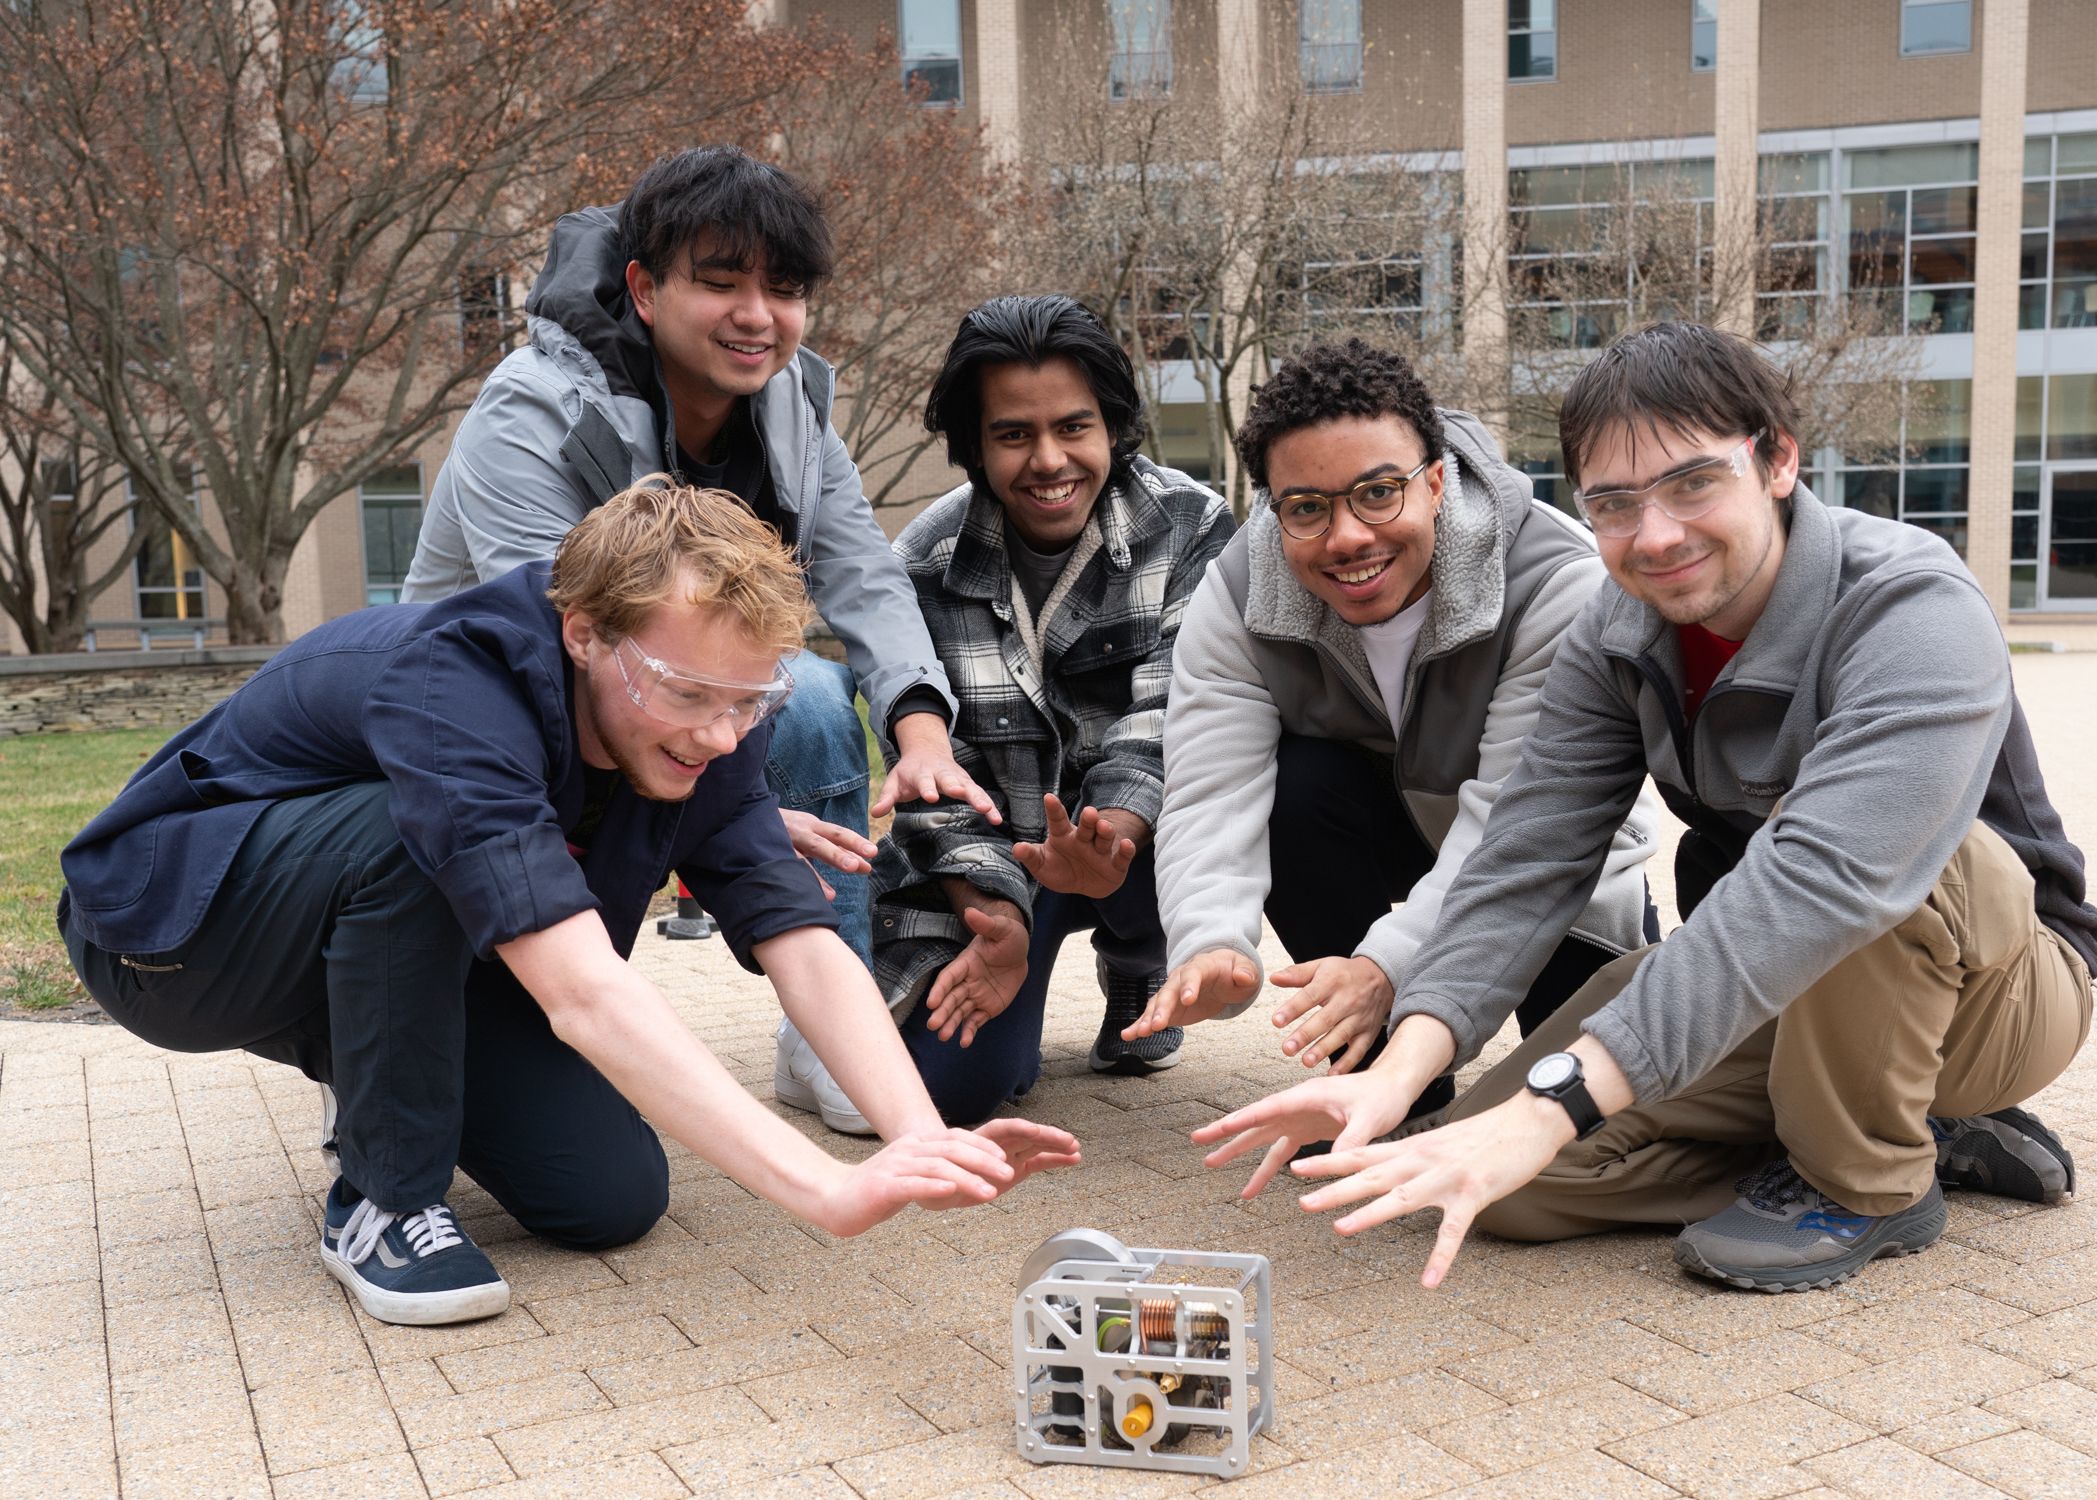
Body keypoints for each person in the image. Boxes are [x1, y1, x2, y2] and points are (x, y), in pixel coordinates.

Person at [1195, 322, 2093, 1295]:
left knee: (1873, 845)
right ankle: (1898, 1126)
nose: (1655, 534)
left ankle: (1868, 1179)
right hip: (1779, 985)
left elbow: (1828, 880)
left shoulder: (1912, 603)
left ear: (1777, 459)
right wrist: (1398, 1071)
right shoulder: (1613, 636)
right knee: (1499, 1183)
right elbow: (1525, 864)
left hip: (1995, 989)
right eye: (1614, 504)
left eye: (1693, 482)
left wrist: (1559, 1101)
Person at [57, 483, 1078, 1327]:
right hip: (175, 936)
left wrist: (911, 1137)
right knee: (404, 835)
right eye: (690, 695)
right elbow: (582, 994)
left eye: (748, 701)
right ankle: (382, 1198)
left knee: (609, 1196)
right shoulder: (450, 690)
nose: (723, 737)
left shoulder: (712, 715)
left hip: (366, 937)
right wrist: (823, 1191)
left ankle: (369, 1054)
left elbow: (800, 940)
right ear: (585, 632)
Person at [401, 145, 994, 1134]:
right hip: (494, 726)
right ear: (643, 287)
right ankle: (377, 1035)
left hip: (663, 716)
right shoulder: (532, 410)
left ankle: (829, 1030)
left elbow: (863, 573)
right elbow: (565, 650)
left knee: (799, 695)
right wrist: (722, 824)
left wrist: (923, 732)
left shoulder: (796, 401)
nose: (758, 316)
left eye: (785, 289)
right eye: (720, 283)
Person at [1127, 339, 1658, 1120]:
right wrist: (1210, 939)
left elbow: (1515, 835)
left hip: (1547, 873)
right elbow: (1211, 786)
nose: (1345, 537)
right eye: (1305, 508)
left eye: (1377, 493)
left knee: (1579, 1134)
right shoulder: (1239, 590)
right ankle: (1382, 1077)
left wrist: (1385, 965)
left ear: (1436, 481)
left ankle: (1404, 1020)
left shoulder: (1552, 580)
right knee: (1298, 782)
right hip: (1385, 842)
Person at [869, 295, 1236, 1124]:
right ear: (973, 445)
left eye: (1073, 427)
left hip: (1136, 849)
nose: (1047, 460)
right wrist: (991, 911)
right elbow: (933, 773)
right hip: (1001, 858)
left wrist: (1112, 836)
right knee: (958, 1093)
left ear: (1111, 426)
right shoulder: (922, 562)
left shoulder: (1191, 527)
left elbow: (1178, 710)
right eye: (1012, 435)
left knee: (1220, 793)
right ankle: (1003, 965)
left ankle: (1137, 952)